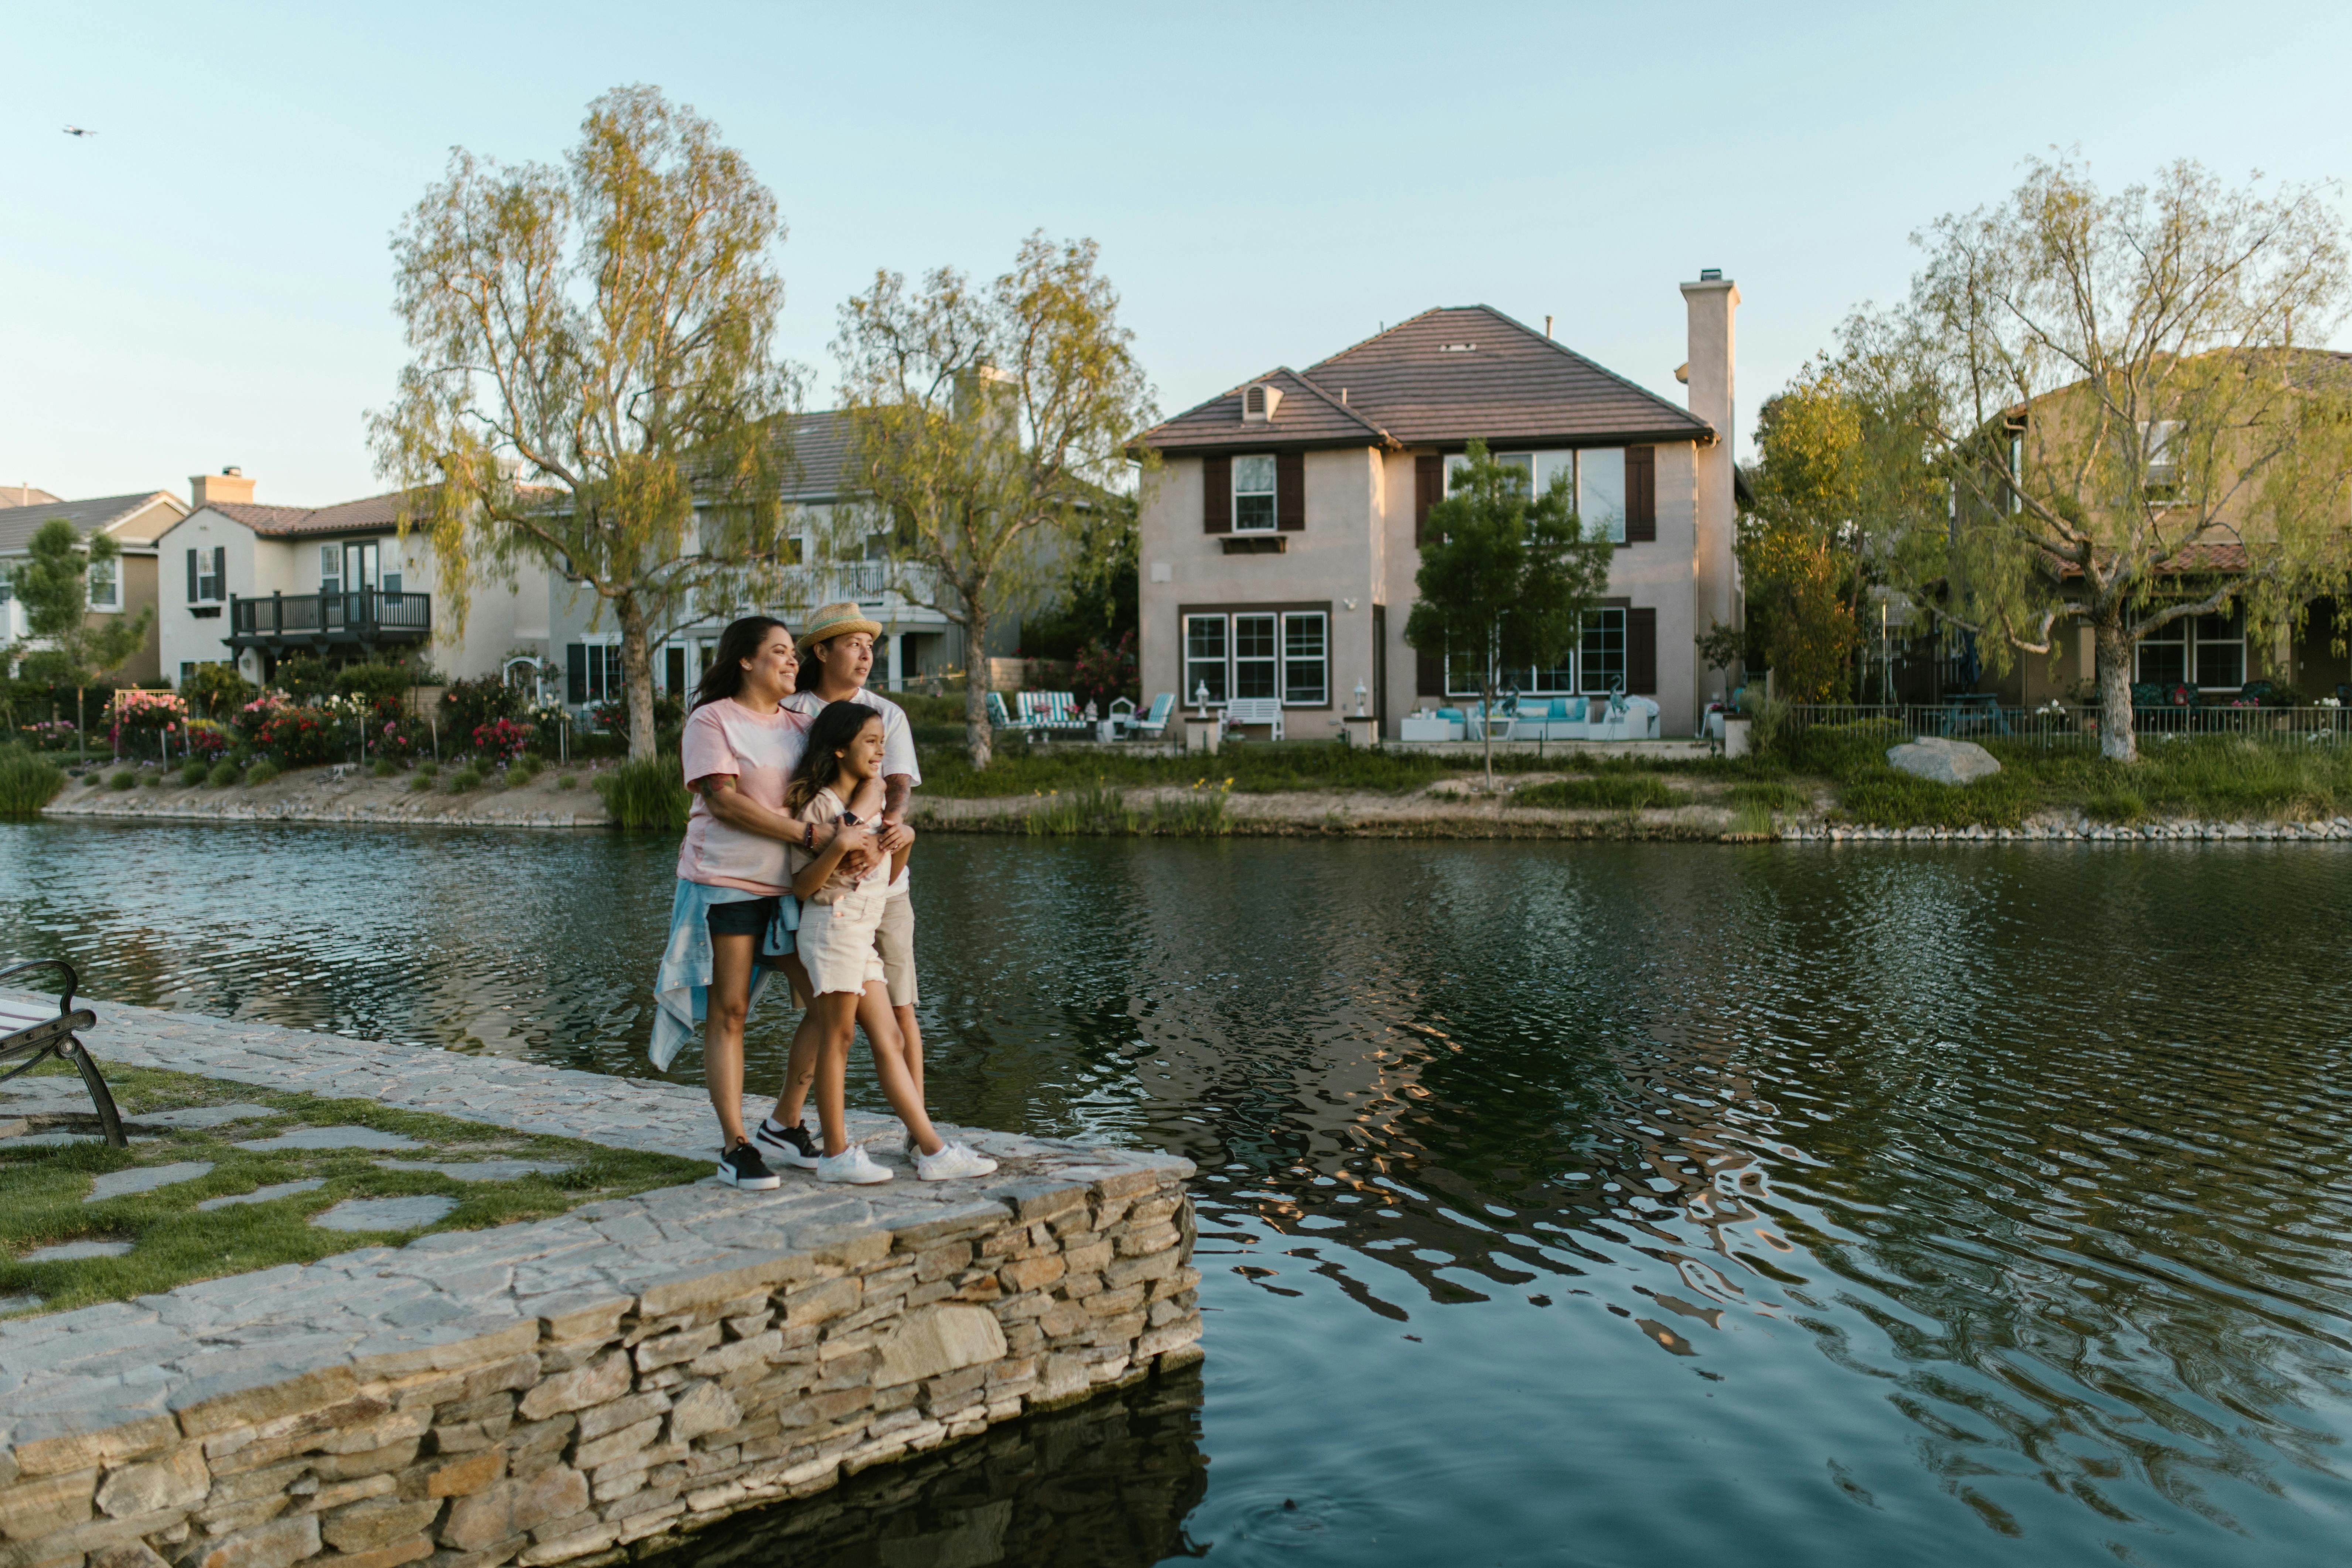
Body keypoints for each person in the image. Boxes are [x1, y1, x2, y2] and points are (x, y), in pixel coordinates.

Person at [647, 616, 880, 1189]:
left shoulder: (804, 725)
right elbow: (723, 802)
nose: (791, 660)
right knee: (731, 1012)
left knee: (830, 1010)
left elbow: (863, 770)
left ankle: (783, 1121)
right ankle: (737, 1146)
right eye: (778, 651)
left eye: (792, 653)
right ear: (745, 660)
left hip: (795, 888)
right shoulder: (713, 720)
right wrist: (807, 836)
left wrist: (858, 827)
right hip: (727, 881)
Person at [782, 700, 996, 1185]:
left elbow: (887, 875)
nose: (882, 751)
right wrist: (837, 844)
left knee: (892, 1037)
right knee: (839, 1035)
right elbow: (802, 886)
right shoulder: (820, 808)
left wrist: (906, 841)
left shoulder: (873, 808)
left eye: (883, 741)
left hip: (862, 932)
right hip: (832, 926)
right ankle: (836, 1153)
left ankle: (933, 1149)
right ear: (840, 750)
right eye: (871, 742)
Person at [755, 602, 931, 1165]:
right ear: (822, 652)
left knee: (900, 1009)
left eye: (869, 644)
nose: (865, 654)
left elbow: (893, 787)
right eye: (851, 643)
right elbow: (795, 787)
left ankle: (919, 1130)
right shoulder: (793, 711)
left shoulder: (886, 713)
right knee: (829, 1013)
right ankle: (796, 1124)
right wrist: (840, 841)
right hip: (828, 893)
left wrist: (871, 839)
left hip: (885, 887)